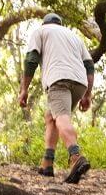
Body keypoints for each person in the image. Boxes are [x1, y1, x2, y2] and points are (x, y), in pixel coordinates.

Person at [18, 13, 95, 184]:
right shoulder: (74, 37)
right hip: (79, 82)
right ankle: (47, 164)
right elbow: (89, 65)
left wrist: (24, 89)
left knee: (60, 117)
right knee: (51, 116)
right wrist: (87, 94)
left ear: (44, 23)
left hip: (59, 79)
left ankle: (75, 156)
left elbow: (31, 59)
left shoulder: (41, 31)